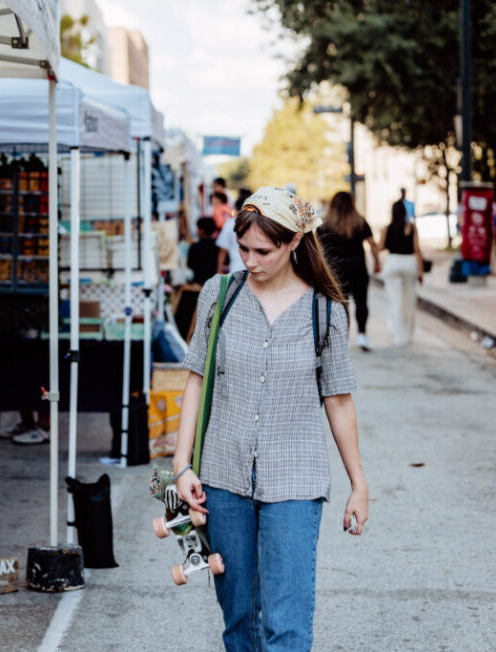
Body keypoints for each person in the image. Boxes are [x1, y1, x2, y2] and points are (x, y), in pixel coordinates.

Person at [174, 187, 368, 651]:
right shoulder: (218, 296)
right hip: (222, 478)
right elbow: (196, 380)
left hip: (296, 484)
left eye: (263, 251)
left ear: (295, 242)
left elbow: (338, 400)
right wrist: (180, 466)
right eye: (243, 249)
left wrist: (358, 483)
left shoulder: (326, 312)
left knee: (288, 625)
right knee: (239, 618)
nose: (250, 260)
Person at [318, 191, 380, 351]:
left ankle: (343, 338)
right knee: (361, 302)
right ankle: (362, 335)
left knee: (340, 305)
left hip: (336, 270)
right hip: (358, 267)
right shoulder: (359, 221)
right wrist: (377, 262)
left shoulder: (324, 223)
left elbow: (317, 249)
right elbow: (373, 244)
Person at [379, 200, 424, 346]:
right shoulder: (411, 227)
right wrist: (421, 271)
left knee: (394, 300)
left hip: (392, 263)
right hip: (409, 263)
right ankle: (408, 333)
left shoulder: (386, 229)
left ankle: (397, 334)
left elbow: (380, 247)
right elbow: (417, 250)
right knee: (409, 300)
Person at [187, 217, 220, 285]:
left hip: (198, 282)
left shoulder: (194, 247)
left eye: (198, 228)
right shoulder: (218, 247)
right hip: (215, 282)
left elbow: (190, 265)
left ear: (201, 230)